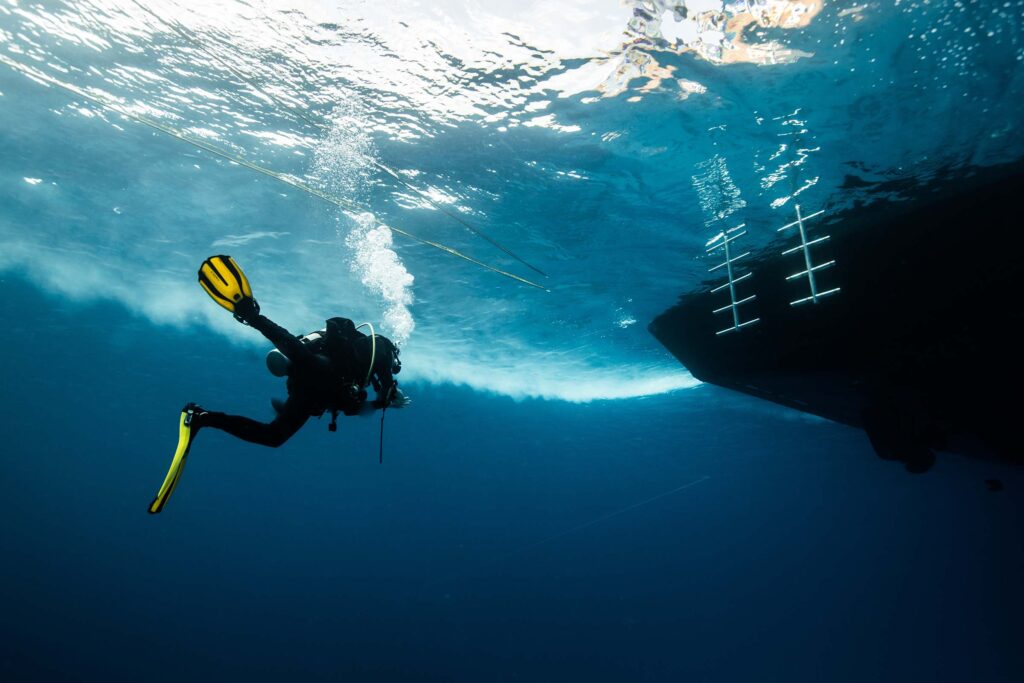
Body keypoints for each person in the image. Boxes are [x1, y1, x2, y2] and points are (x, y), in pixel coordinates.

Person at [149, 255, 408, 513]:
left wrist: (381, 402)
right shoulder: (382, 349)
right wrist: (388, 394)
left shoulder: (364, 369)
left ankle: (201, 417)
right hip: (319, 375)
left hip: (313, 390)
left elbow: (351, 408)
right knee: (302, 358)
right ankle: (251, 315)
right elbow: (374, 377)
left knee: (274, 436)